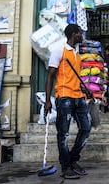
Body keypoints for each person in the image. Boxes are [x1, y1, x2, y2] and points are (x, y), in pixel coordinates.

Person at [45, 24, 90, 179]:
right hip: (64, 96)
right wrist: (47, 101)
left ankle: (72, 160)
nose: (82, 35)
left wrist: (83, 89)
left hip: (78, 96)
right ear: (73, 34)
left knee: (86, 129)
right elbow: (50, 76)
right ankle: (66, 167)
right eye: (80, 33)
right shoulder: (59, 50)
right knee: (63, 134)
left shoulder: (77, 54)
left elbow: (74, 77)